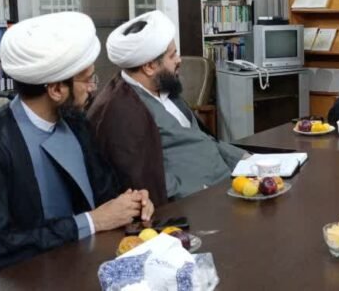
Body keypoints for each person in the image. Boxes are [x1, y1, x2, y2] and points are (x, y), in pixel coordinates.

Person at [0, 12, 154, 275]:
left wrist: (130, 203)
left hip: (92, 266)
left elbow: (105, 191)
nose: (93, 88)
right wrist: (90, 222)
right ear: (55, 89)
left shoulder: (76, 122)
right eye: (87, 79)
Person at [88, 11, 249, 204]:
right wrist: (202, 197)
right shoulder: (120, 112)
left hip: (231, 180)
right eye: (172, 56)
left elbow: (202, 139)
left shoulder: (163, 87)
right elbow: (146, 180)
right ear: (149, 67)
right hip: (201, 200)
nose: (179, 60)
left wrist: (247, 160)